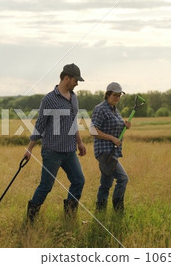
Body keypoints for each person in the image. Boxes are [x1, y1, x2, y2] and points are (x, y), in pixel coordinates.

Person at [24, 63, 86, 222]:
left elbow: (73, 123)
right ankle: (31, 219)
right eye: (75, 80)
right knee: (46, 186)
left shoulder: (74, 98)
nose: (77, 83)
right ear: (67, 78)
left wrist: (79, 143)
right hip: (52, 152)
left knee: (79, 181)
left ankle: (69, 216)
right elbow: (39, 125)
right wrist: (29, 149)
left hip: (70, 151)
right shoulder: (49, 99)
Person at [91, 82, 131, 212]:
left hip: (113, 152)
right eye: (115, 95)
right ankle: (118, 210)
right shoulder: (100, 109)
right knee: (123, 178)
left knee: (106, 184)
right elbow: (93, 130)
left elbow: (114, 127)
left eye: (120, 95)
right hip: (105, 152)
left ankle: (100, 212)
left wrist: (124, 125)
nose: (118, 97)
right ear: (108, 94)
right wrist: (112, 138)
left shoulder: (115, 110)